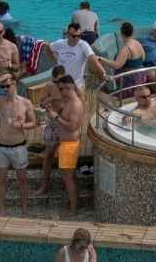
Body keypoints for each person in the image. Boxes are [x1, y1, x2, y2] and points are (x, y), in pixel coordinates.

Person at [0, 68, 37, 212]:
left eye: (7, 86)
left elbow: (34, 123)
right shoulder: (0, 101)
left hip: (18, 146)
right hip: (1, 146)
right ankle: (1, 208)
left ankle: (25, 208)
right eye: (2, 87)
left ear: (15, 84)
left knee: (22, 179)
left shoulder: (25, 103)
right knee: (0, 180)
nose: (4, 89)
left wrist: (21, 125)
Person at [50, 75, 85, 216]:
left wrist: (56, 117)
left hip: (69, 146)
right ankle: (72, 204)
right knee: (69, 177)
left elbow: (73, 126)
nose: (59, 92)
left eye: (60, 89)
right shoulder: (69, 101)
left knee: (68, 178)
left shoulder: (76, 104)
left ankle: (73, 209)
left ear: (69, 87)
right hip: (65, 144)